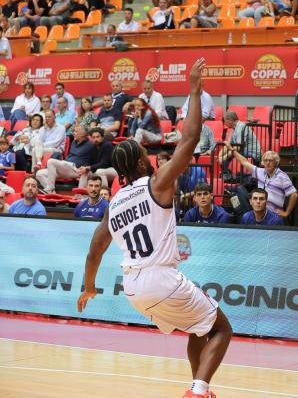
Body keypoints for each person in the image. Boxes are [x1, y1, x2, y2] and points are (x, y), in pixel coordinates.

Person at [77, 58, 232, 398]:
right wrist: (194, 88)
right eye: (144, 153)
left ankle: (198, 388)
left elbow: (94, 251)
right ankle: (198, 389)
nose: (148, 156)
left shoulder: (113, 204)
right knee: (221, 329)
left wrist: (89, 288)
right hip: (161, 278)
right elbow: (190, 139)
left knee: (197, 327)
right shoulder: (156, 183)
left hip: (133, 289)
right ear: (137, 163)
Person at [230, 148, 298, 218]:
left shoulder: (282, 176)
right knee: (240, 190)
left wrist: (286, 212)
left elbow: (294, 195)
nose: (268, 163)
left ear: (276, 162)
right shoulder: (261, 172)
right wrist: (232, 150)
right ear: (263, 162)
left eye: (270, 160)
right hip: (259, 214)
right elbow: (244, 162)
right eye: (266, 160)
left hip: (273, 216)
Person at [36, 125, 96, 193]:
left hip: (76, 169)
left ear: (83, 134)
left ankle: (50, 188)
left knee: (51, 161)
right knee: (39, 173)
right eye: (74, 131)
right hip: (66, 168)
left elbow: (94, 160)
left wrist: (87, 168)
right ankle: (52, 192)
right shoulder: (73, 142)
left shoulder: (90, 145)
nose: (73, 133)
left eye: (76, 131)